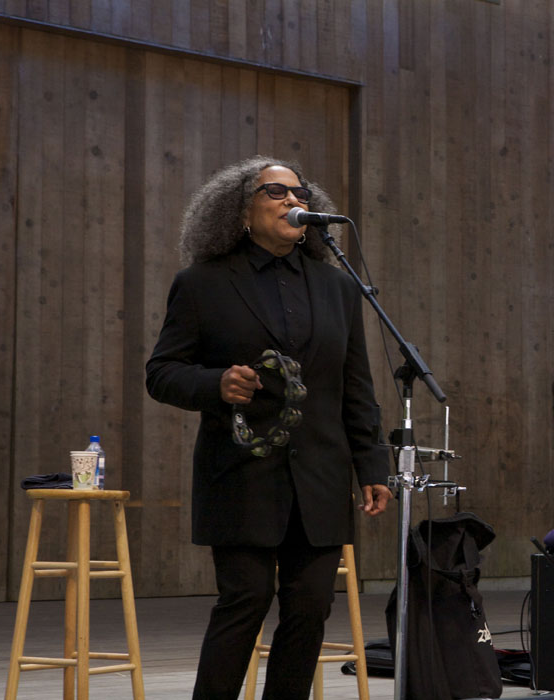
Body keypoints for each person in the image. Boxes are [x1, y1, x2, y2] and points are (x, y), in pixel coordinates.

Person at [146, 156, 393, 700]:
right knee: (246, 600)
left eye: (298, 192)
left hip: (322, 477)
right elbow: (161, 373)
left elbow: (357, 386)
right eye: (275, 192)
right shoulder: (202, 284)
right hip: (241, 471)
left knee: (310, 607)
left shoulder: (339, 287)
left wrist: (373, 462)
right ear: (241, 212)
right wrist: (215, 383)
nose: (291, 200)